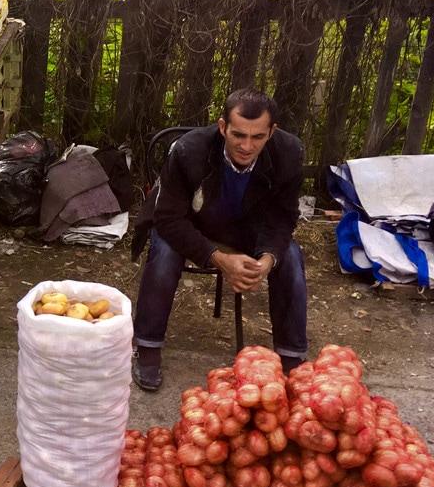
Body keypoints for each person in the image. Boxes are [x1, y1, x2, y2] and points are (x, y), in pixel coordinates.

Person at [129, 88, 308, 392]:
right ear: (222, 126)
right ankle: (146, 347)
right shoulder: (188, 150)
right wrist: (219, 259)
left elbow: (282, 218)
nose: (246, 146)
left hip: (246, 226)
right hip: (188, 221)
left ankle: (291, 360)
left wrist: (266, 261)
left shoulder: (289, 153)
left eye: (258, 137)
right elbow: (169, 219)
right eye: (238, 135)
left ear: (272, 132)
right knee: (165, 249)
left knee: (289, 255)